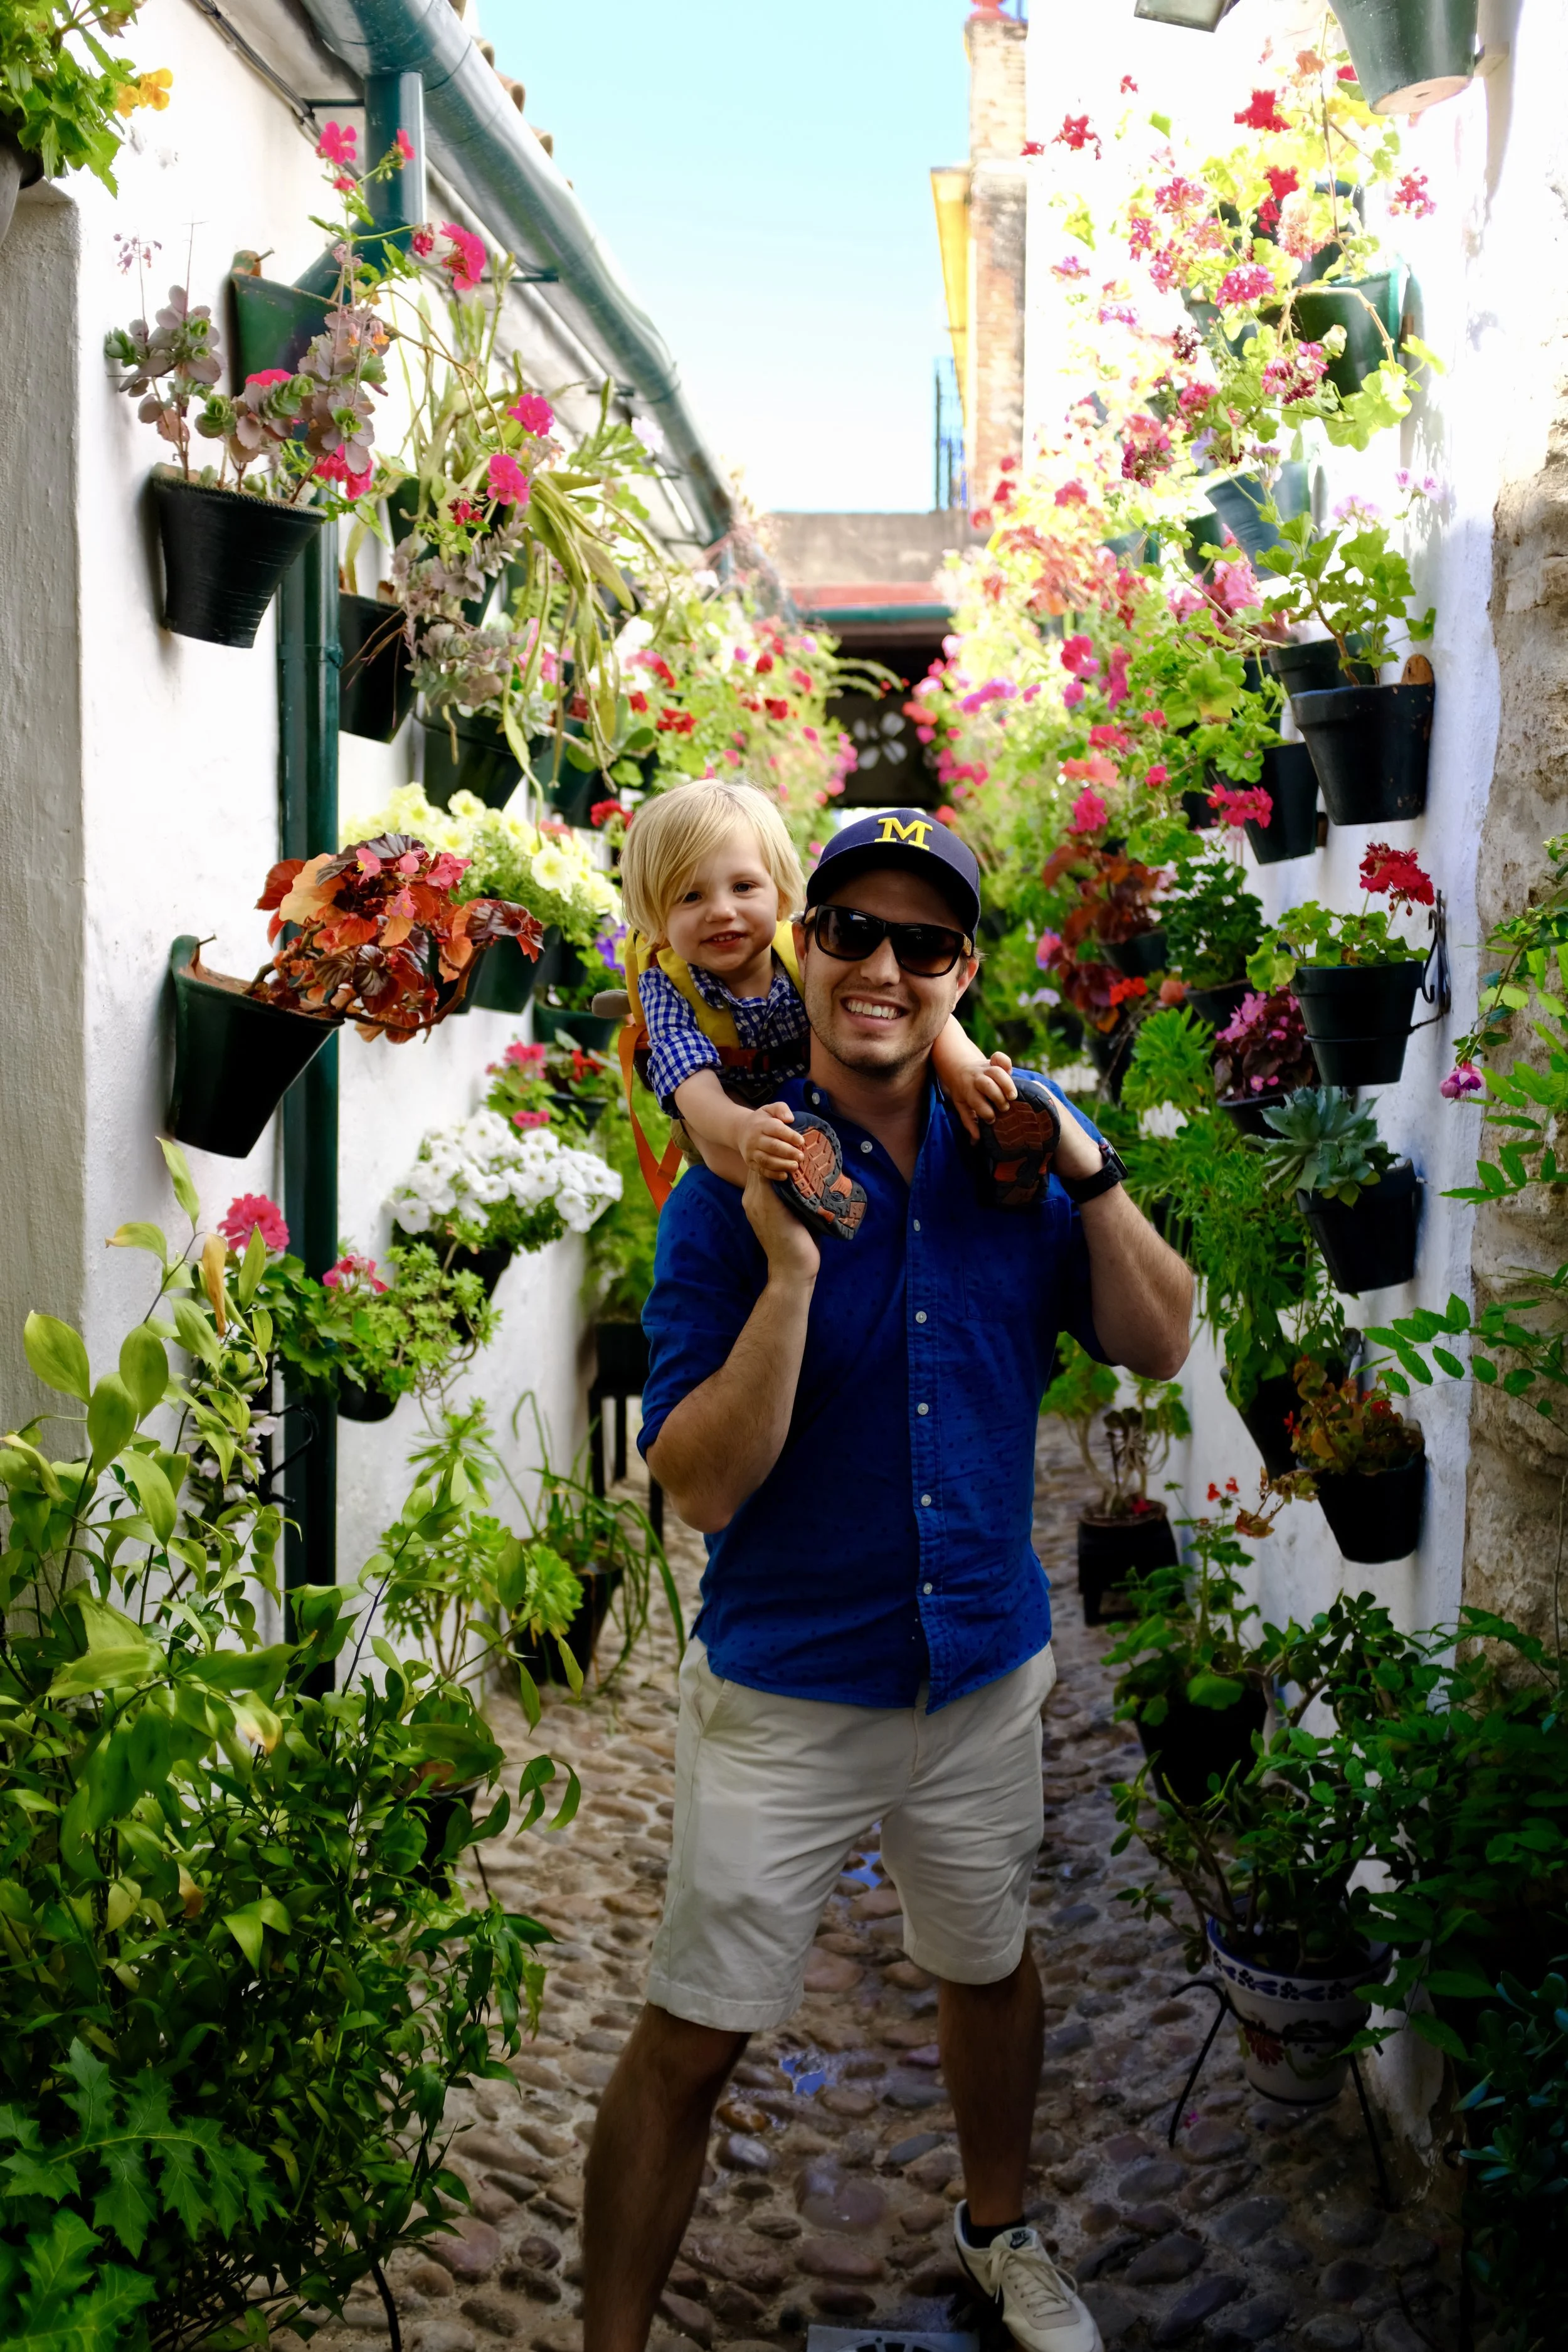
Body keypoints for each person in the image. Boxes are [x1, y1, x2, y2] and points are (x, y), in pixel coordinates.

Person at [580, 809, 1193, 2352]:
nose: (882, 965)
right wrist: (789, 1273)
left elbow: (1162, 1336)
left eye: (924, 942)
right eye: (851, 928)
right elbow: (700, 1478)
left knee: (987, 1963)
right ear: (802, 943)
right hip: (790, 1683)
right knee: (695, 2033)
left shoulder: (1015, 1153)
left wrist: (1086, 1158)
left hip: (981, 1666)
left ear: (959, 969)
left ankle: (1002, 2232)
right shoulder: (735, 1181)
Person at [617, 779, 1028, 1223]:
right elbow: (690, 1083)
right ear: (658, 918)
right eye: (690, 896)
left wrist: (965, 1068)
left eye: (743, 887)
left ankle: (993, 1138)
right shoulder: (667, 986)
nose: (721, 910)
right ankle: (795, 1200)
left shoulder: (808, 948)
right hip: (723, 1106)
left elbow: (919, 1006)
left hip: (809, 1097)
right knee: (710, 1140)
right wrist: (744, 1130)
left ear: (780, 893)